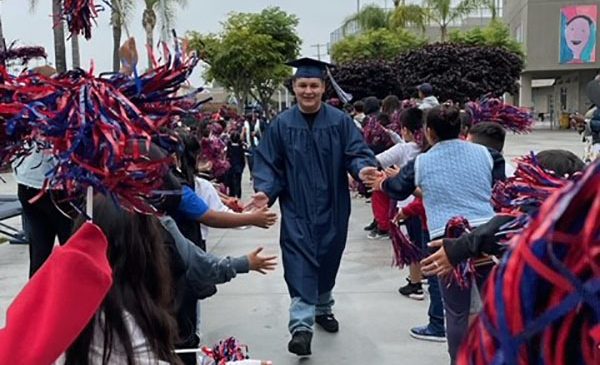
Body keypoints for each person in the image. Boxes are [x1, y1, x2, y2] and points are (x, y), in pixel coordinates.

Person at [249, 57, 377, 356]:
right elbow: (269, 164)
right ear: (294, 87)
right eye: (303, 85)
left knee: (328, 259)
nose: (308, 91)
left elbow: (356, 152)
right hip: (296, 208)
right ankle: (301, 326)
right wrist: (264, 192)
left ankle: (323, 308)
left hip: (333, 206)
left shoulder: (340, 121)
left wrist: (363, 169)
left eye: (314, 85)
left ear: (323, 88)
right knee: (299, 262)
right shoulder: (282, 124)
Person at [361, 105, 505, 364]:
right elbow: (499, 190)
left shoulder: (421, 162)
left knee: (456, 313)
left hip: (445, 244)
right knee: (494, 306)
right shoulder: (489, 155)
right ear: (462, 129)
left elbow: (397, 189)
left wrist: (381, 182)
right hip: (486, 237)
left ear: (428, 132)